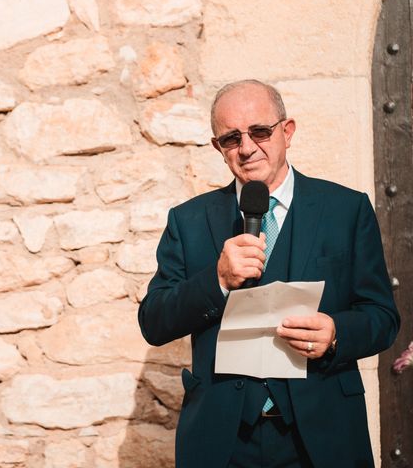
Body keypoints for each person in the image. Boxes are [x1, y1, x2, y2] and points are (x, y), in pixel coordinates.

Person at [138, 79, 399, 468]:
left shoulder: (347, 209)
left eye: (260, 131)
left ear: (287, 131)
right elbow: (154, 322)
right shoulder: (188, 220)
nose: (246, 148)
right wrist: (218, 280)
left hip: (323, 433)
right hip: (223, 438)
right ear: (218, 147)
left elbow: (382, 317)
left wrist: (336, 334)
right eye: (231, 138)